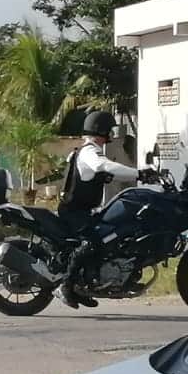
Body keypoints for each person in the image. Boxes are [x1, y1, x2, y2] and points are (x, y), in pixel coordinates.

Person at [56, 110, 143, 309]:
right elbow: (104, 166)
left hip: (83, 210)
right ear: (100, 130)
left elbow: (112, 173)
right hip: (74, 212)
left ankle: (84, 286)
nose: (110, 134)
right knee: (94, 241)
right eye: (108, 130)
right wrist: (139, 173)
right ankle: (66, 285)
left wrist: (139, 176)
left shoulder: (89, 151)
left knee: (108, 238)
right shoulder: (89, 152)